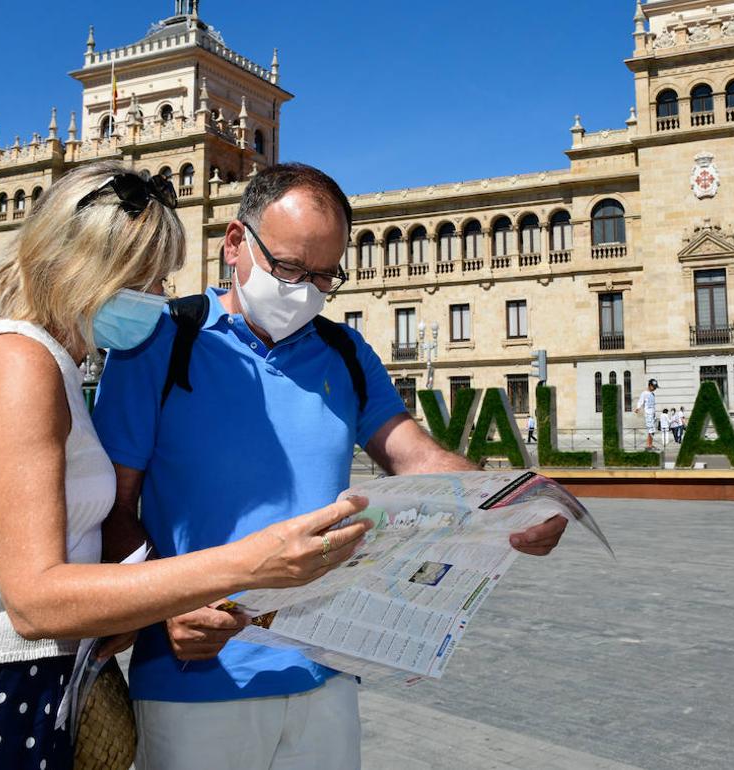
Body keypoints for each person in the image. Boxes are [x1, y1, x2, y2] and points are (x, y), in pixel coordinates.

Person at [0, 161, 373, 770]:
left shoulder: (56, 369)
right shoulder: (20, 364)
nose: (158, 301)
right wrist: (250, 563)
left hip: (21, 685)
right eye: (144, 281)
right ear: (81, 269)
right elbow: (35, 599)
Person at [92, 163, 569, 770]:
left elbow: (411, 453)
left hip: (328, 672)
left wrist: (509, 496)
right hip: (198, 680)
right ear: (235, 243)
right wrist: (167, 602)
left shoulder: (343, 351)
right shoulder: (160, 341)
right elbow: (109, 507)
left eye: (324, 276)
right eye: (289, 268)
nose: (304, 290)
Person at [634, 378, 659, 450]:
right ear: (650, 386)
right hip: (648, 414)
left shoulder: (652, 394)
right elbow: (640, 401)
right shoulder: (644, 393)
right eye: (654, 387)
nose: (655, 389)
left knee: (652, 430)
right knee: (651, 430)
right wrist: (638, 408)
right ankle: (649, 445)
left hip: (652, 414)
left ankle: (650, 444)